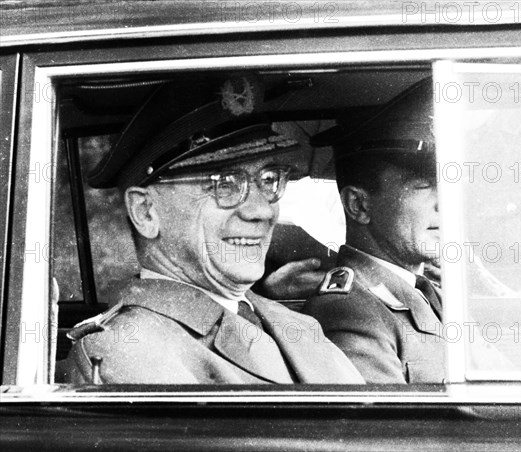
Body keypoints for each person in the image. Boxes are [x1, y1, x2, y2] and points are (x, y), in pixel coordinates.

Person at [61, 77, 364, 385]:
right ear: (146, 212)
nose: (261, 211)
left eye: (269, 179)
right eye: (226, 184)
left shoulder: (294, 323)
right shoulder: (127, 349)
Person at [301, 78, 446, 384]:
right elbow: (389, 431)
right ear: (359, 206)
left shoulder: (434, 293)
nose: (444, 203)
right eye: (422, 185)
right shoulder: (348, 312)